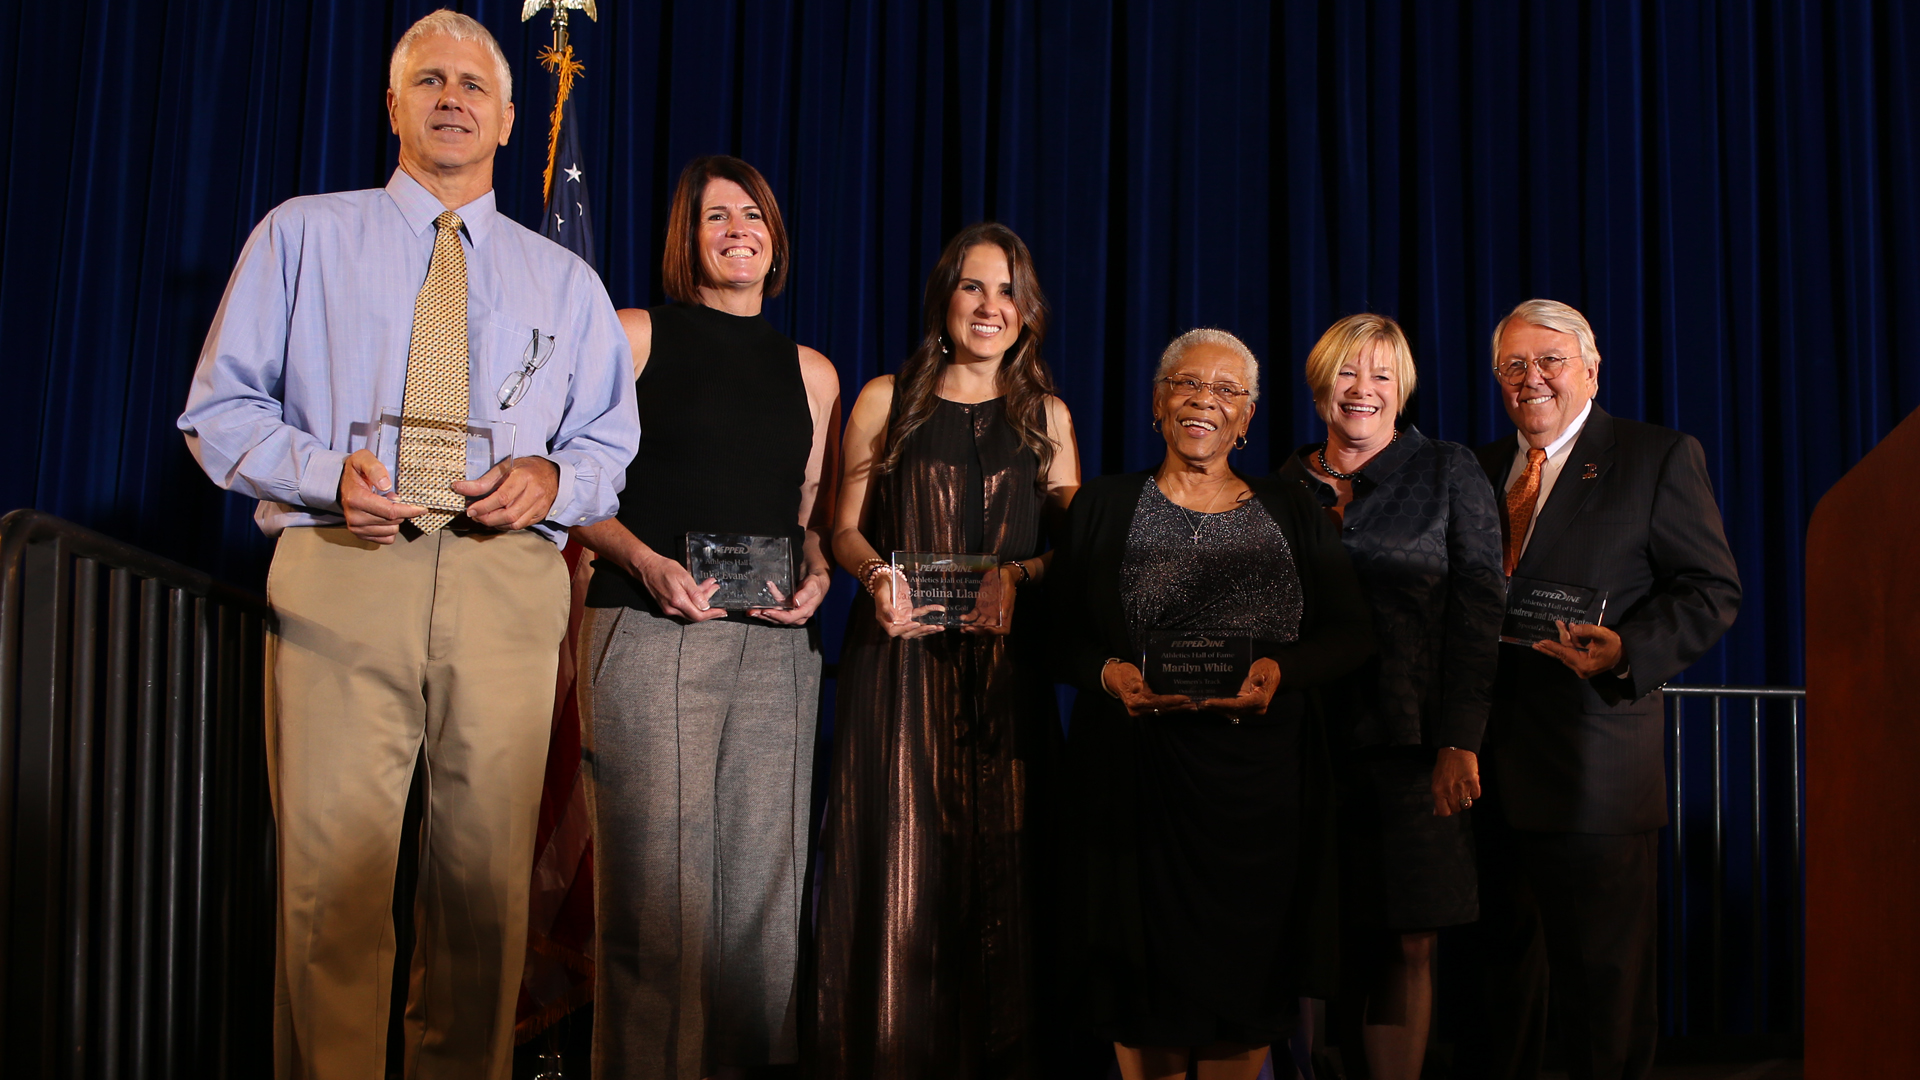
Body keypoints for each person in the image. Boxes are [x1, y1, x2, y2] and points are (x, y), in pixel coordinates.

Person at [176, 11, 639, 1078]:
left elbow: (611, 448)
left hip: (507, 586)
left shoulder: (564, 285)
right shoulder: (301, 234)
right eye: (427, 80)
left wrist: (555, 478)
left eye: (474, 85)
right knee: (329, 886)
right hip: (344, 570)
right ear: (392, 104)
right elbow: (219, 412)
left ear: (511, 120)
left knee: (481, 897)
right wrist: (321, 475)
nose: (451, 98)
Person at [571, 154, 841, 1080]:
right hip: (651, 631)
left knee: (762, 904)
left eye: (754, 216)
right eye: (717, 217)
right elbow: (571, 486)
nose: (738, 232)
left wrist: (817, 577)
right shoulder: (634, 333)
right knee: (658, 902)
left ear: (776, 238)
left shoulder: (813, 372)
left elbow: (806, 518)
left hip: (773, 649)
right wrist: (645, 562)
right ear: (687, 238)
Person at [1051, 328, 1374, 1080]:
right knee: (1141, 988)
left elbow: (1352, 635)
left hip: (1258, 799)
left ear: (1249, 418)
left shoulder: (1293, 508)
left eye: (1228, 391)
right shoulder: (1101, 505)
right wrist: (1109, 677)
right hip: (1134, 788)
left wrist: (1277, 671)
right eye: (1189, 385)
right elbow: (1055, 637)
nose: (1206, 401)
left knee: (1246, 990)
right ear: (1159, 404)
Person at [809, 222, 1081, 1078]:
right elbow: (842, 528)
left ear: (1027, 310)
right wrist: (874, 579)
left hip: (1007, 676)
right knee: (899, 871)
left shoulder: (1047, 415)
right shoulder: (887, 399)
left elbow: (1076, 547)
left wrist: (1022, 577)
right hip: (899, 669)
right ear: (945, 298)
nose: (989, 306)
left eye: (1006, 290)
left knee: (1008, 868)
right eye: (973, 287)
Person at [1458, 299, 1740, 1080]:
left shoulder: (1656, 457)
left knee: (1601, 998)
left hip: (1595, 772)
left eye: (1549, 360)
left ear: (1591, 365)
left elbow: (1712, 589)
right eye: (1513, 365)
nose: (1531, 378)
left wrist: (1628, 653)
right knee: (1492, 993)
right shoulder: (1474, 471)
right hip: (1482, 775)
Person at [1274, 314, 1505, 1080]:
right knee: (1304, 930)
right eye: (1347, 372)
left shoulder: (1447, 469)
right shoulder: (1282, 483)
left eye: (1380, 375)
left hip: (1412, 751)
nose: (1362, 389)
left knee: (1407, 937)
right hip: (1297, 741)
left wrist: (1460, 738)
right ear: (1321, 385)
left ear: (1400, 388)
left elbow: (1480, 609)